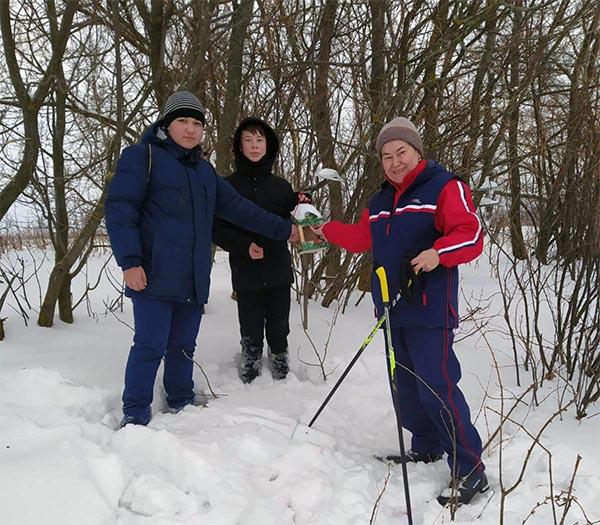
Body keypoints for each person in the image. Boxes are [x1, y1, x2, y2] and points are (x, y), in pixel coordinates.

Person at [311, 117, 487, 506]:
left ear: (417, 152)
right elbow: (361, 239)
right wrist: (327, 230)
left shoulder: (444, 186)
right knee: (406, 388)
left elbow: (471, 234)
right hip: (392, 309)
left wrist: (438, 252)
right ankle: (425, 447)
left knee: (437, 386)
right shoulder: (379, 202)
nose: (394, 162)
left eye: (401, 152)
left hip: (430, 309)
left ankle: (470, 467)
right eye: (387, 156)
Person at [105, 92, 297, 427]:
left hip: (192, 276)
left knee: (182, 346)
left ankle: (180, 399)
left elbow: (241, 210)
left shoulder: (204, 172)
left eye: (197, 123)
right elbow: (120, 210)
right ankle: (135, 411)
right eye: (183, 121)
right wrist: (130, 261)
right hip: (153, 273)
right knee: (150, 345)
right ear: (166, 123)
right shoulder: (142, 157)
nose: (191, 129)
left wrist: (284, 230)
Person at [213, 117, 307, 383]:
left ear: (270, 146)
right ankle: (251, 364)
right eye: (248, 140)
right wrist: (242, 246)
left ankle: (280, 362)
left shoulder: (281, 186)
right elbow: (217, 229)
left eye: (260, 140)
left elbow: (298, 217)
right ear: (238, 146)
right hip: (246, 269)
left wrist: (304, 201)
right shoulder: (227, 186)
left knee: (279, 324)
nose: (255, 146)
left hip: (278, 267)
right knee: (251, 325)